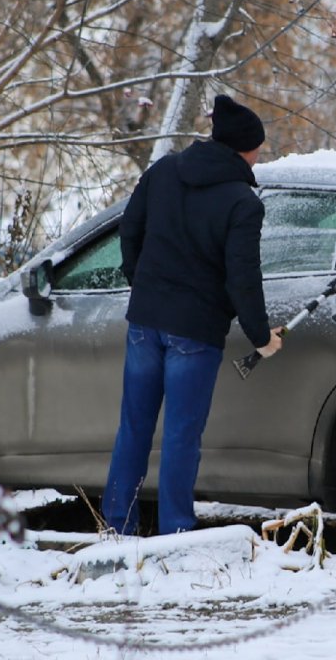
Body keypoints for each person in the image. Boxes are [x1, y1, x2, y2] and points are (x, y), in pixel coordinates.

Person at [102, 94, 284, 535]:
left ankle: (116, 527)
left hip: (146, 322)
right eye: (258, 147)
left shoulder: (163, 171)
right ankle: (175, 534)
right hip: (195, 333)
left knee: (134, 427)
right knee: (181, 437)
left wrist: (141, 282)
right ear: (245, 148)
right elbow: (243, 277)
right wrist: (262, 337)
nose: (260, 154)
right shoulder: (243, 202)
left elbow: (130, 228)